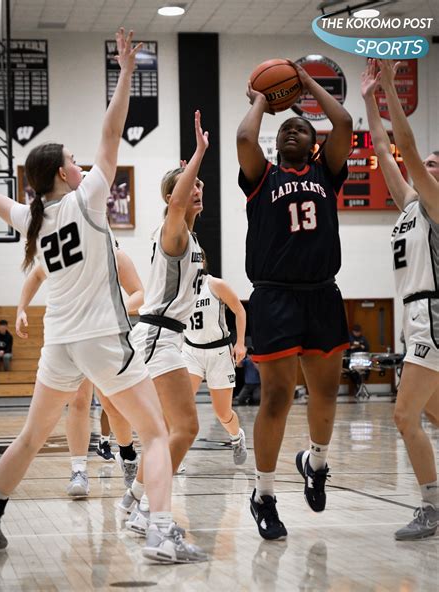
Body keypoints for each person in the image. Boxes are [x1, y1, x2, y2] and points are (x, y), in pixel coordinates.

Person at [0, 29, 206, 563]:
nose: (82, 165)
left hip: (60, 343)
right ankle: (164, 534)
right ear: (60, 173)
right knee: (158, 433)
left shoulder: (29, 216)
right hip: (100, 337)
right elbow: (113, 128)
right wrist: (123, 72)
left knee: (30, 437)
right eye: (73, 160)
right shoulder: (87, 199)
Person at [237, 61, 352, 540]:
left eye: (300, 129)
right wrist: (264, 98)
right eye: (285, 129)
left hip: (322, 294)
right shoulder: (260, 176)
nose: (291, 132)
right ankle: (263, 496)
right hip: (275, 296)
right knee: (279, 397)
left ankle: (316, 462)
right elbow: (245, 138)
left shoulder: (328, 171)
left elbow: (343, 123)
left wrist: (304, 85)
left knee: (325, 393)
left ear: (312, 143)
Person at [119, 110, 209, 538]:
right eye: (192, 186)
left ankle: (135, 500)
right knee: (185, 428)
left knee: (163, 431)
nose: (198, 190)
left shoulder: (188, 239)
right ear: (175, 195)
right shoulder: (173, 231)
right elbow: (176, 200)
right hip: (158, 336)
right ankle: (146, 512)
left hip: (164, 337)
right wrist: (199, 153)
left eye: (200, 186)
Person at [361, 58, 439, 540]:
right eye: (426, 164)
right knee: (432, 413)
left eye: (435, 165)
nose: (425, 166)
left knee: (404, 414)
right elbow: (389, 154)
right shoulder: (411, 205)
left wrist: (391, 86)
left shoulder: (434, 204)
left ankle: (431, 506)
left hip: (431, 312)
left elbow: (404, 146)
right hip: (415, 315)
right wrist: (369, 97)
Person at [15, 248, 142, 496]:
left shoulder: (115, 255)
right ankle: (78, 470)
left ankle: (127, 455)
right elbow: (37, 274)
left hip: (105, 337)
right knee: (79, 401)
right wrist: (21, 308)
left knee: (112, 405)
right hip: (73, 335)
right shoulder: (68, 250)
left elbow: (140, 293)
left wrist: (115, 309)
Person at [182, 267, 248, 465]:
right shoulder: (178, 290)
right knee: (181, 407)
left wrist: (240, 343)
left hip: (218, 352)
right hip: (191, 352)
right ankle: (177, 457)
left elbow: (239, 310)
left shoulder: (215, 285)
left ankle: (236, 437)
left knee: (222, 412)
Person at [346, 324, 370, 395]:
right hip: (352, 359)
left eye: (358, 332)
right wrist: (352, 347)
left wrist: (362, 347)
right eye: (355, 332)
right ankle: (357, 385)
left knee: (366, 370)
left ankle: (361, 384)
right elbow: (347, 348)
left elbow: (367, 347)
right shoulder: (349, 338)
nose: (357, 333)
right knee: (352, 372)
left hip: (362, 359)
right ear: (353, 332)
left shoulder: (363, 338)